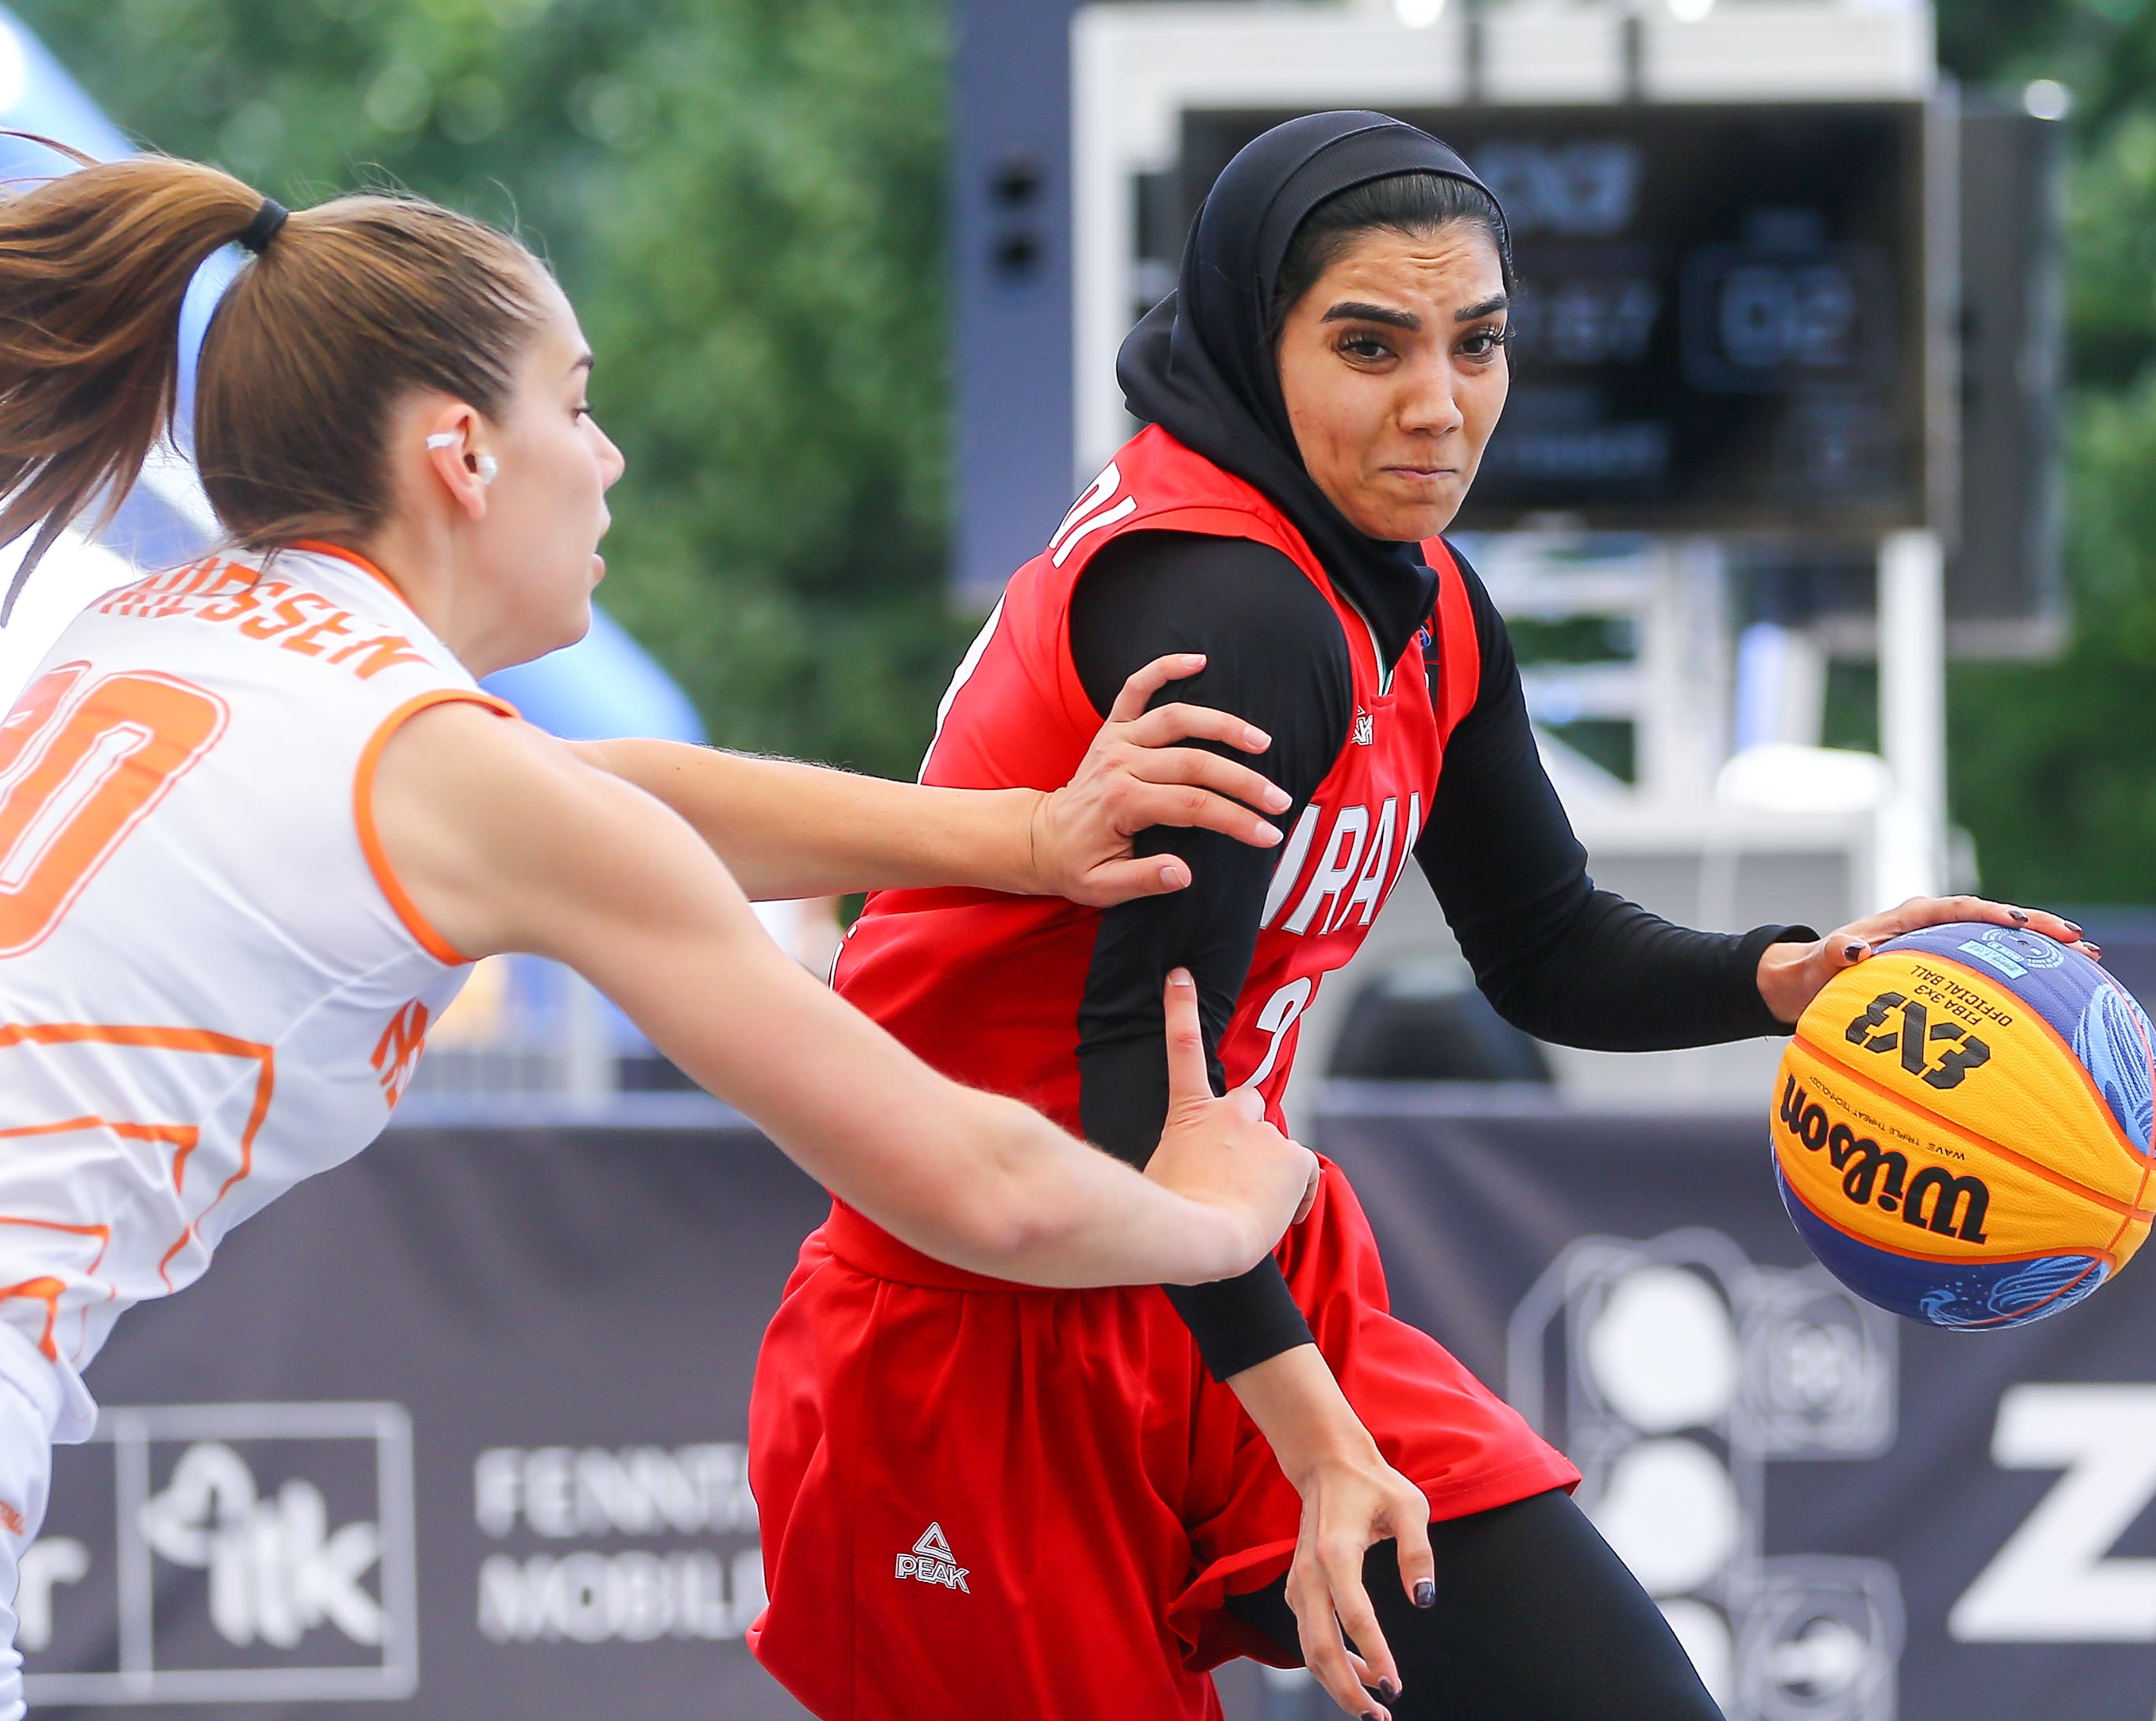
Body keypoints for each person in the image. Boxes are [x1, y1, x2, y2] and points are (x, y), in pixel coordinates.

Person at [0, 153, 1323, 1716]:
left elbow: (607, 796)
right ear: (461, 452)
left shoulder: (161, 632)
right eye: (578, 404)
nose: (603, 458)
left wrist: (1016, 834)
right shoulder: (436, 767)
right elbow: (976, 1188)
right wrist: (1215, 1223)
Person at [744, 112, 2088, 1721]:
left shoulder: (1421, 599)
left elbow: (1541, 943)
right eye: (1368, 346)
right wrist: (1316, 1441)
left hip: (1220, 1265)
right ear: (1255, 338)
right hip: (989, 1320)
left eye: (1477, 344)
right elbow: (1126, 1100)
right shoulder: (1232, 608)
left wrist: (1791, 978)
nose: (1437, 405)